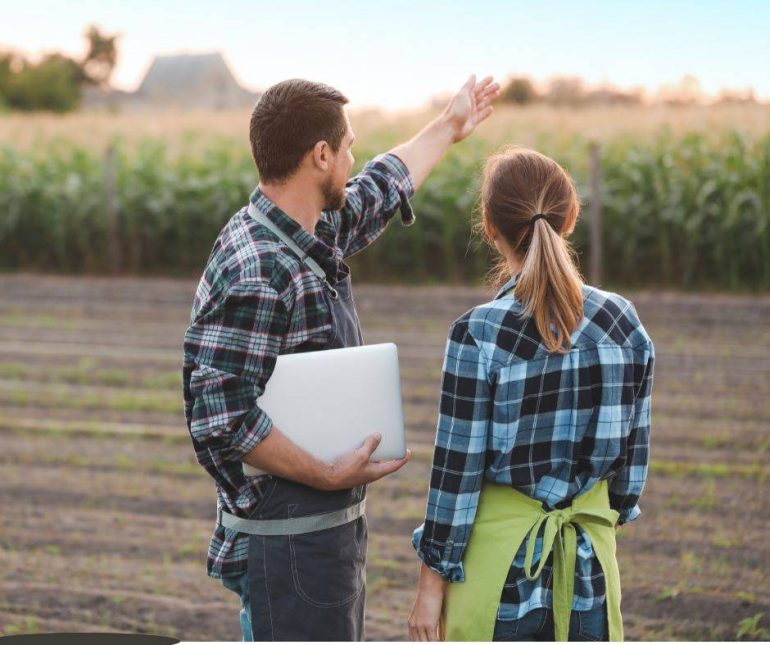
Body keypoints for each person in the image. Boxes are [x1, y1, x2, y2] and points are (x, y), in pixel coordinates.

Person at [182, 75, 500, 641]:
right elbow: (220, 417)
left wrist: (450, 127)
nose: (355, 159)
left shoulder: (303, 231)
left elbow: (381, 186)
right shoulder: (260, 268)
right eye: (348, 146)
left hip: (315, 540)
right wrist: (329, 473)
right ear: (320, 155)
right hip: (290, 548)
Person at [408, 147, 654, 641]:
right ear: (569, 220)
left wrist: (430, 586)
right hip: (589, 573)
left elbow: (455, 476)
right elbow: (628, 479)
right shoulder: (623, 323)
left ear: (490, 227)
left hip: (499, 580)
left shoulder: (478, 334)